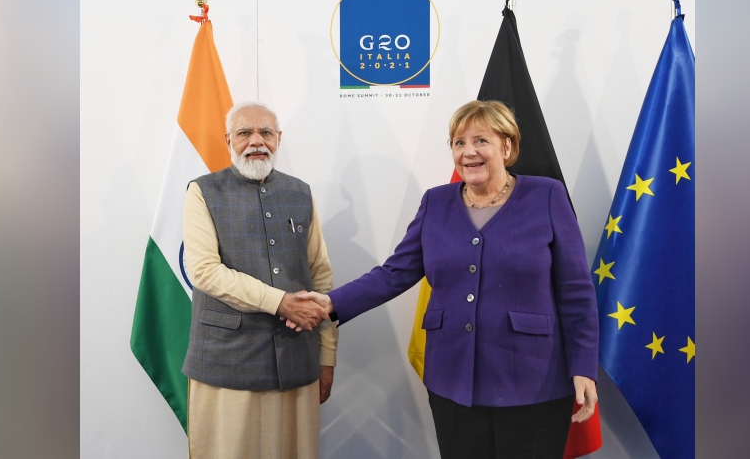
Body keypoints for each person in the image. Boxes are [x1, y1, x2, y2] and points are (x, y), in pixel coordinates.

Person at [303, 100, 599, 458]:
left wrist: (584, 367)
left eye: (480, 141)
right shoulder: (435, 202)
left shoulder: (547, 196)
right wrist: (332, 302)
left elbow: (576, 292)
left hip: (533, 380)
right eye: (459, 143)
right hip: (454, 380)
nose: (468, 152)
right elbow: (395, 272)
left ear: (506, 146)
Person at [181, 101, 337, 459]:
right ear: (228, 140)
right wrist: (279, 302)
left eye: (266, 132)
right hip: (225, 362)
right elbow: (204, 270)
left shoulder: (301, 193)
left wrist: (327, 356)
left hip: (297, 360)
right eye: (244, 133)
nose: (256, 141)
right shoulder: (203, 191)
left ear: (279, 138)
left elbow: (321, 275)